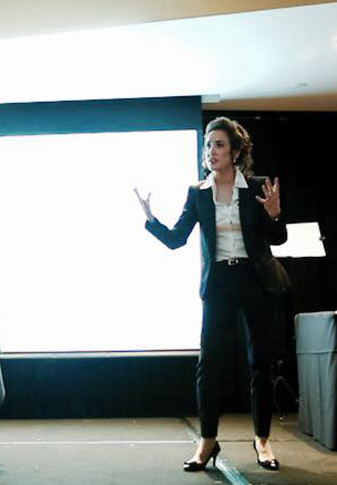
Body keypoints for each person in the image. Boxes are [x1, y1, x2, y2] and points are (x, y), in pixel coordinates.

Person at [134, 116, 288, 472]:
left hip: (255, 280)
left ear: (235, 151)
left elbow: (278, 240)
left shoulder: (258, 186)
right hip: (219, 282)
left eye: (219, 144)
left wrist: (275, 215)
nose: (211, 151)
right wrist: (151, 220)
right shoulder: (198, 192)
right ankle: (207, 441)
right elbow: (177, 239)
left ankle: (262, 440)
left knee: (261, 363)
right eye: (208, 145)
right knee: (209, 363)